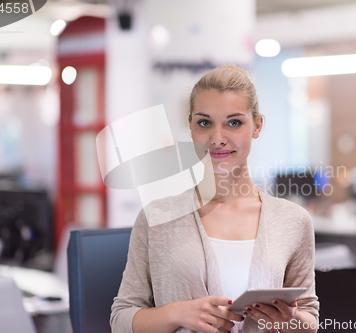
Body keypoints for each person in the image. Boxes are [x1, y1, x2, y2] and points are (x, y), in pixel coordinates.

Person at [110, 65, 319, 333]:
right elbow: (121, 321)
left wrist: (292, 322)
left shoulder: (293, 220)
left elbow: (310, 319)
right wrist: (177, 313)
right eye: (205, 123)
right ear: (191, 127)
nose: (217, 138)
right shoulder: (156, 217)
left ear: (257, 126)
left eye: (234, 122)